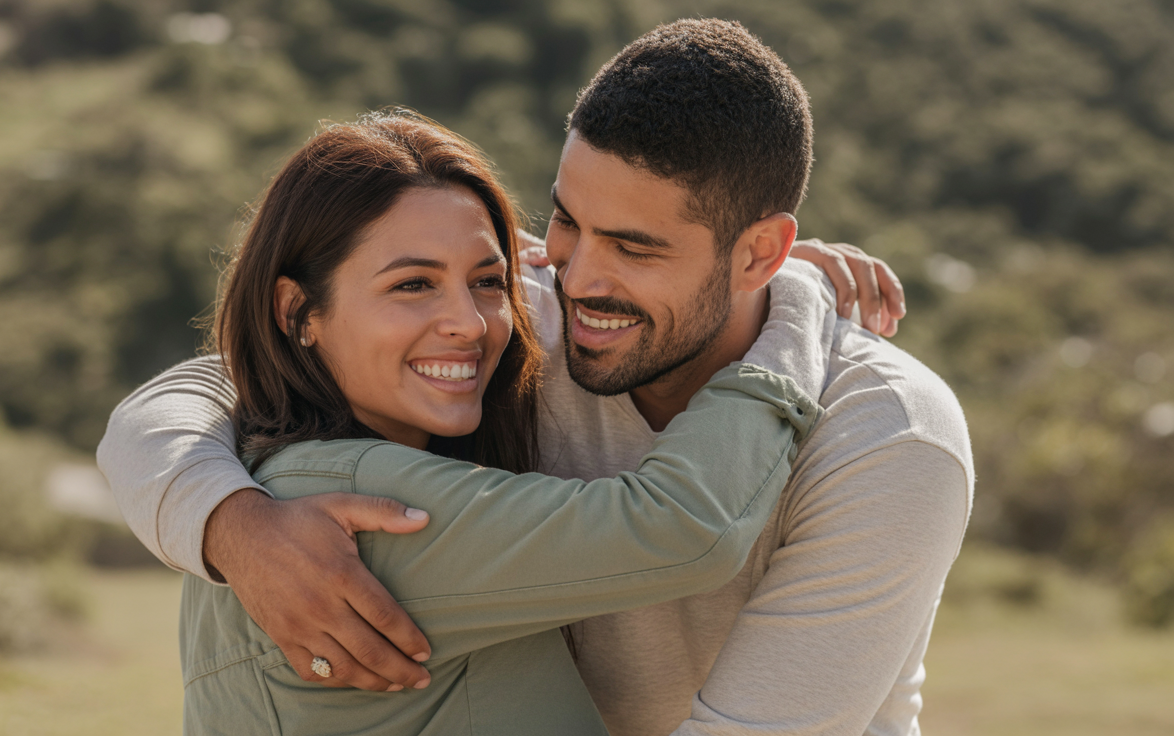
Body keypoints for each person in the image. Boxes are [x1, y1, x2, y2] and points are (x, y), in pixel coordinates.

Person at [100, 17, 972, 736]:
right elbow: (207, 387)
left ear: (758, 253)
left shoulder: (888, 438)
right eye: (566, 222)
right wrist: (233, 524)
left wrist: (797, 300)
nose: (578, 276)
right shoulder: (514, 328)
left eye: (635, 247)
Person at [168, 109, 826, 735]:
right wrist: (793, 304)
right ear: (298, 312)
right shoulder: (362, 511)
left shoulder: (265, 479)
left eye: (488, 281)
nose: (470, 322)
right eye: (413, 285)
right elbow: (686, 526)